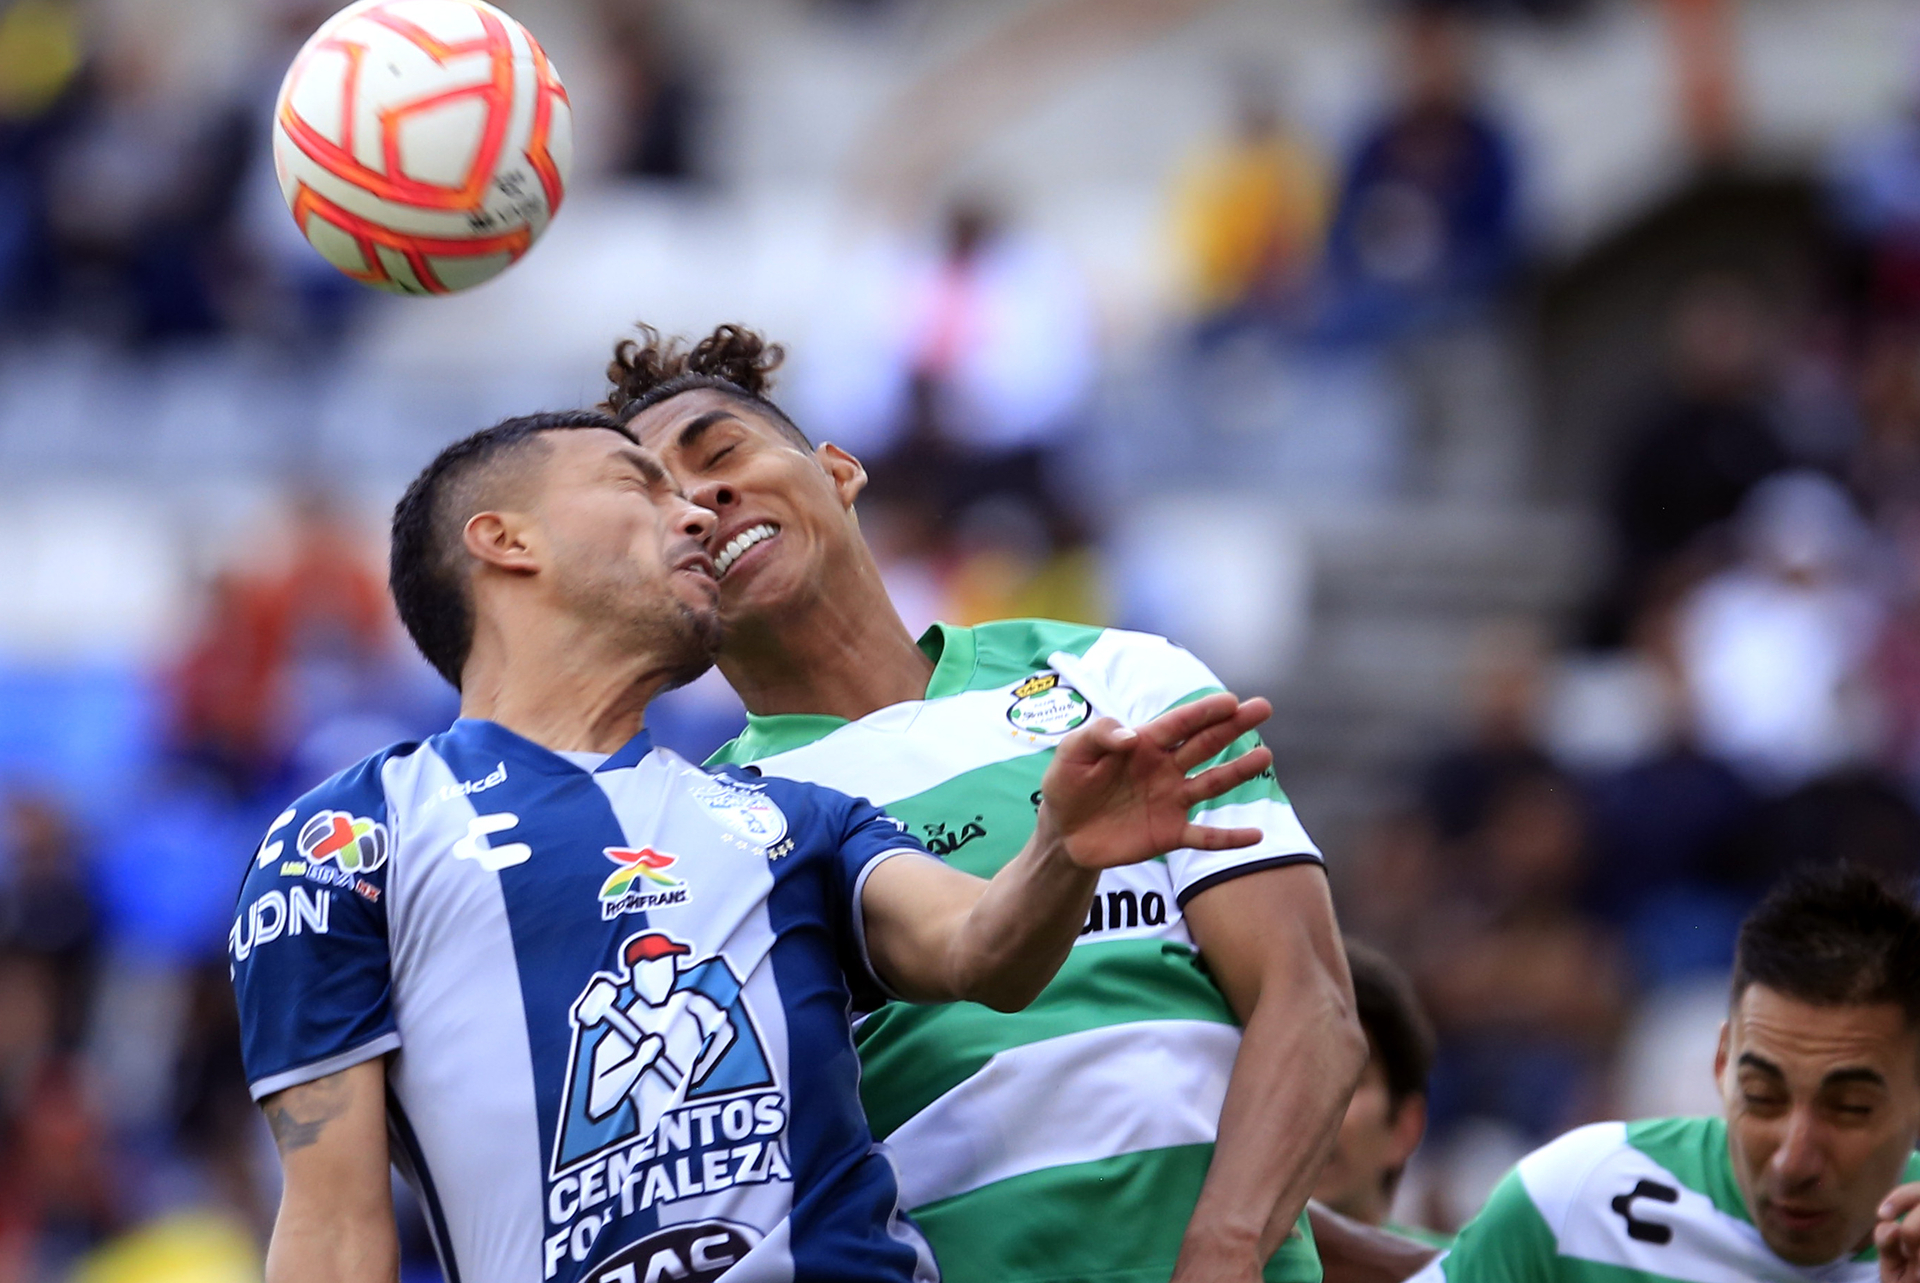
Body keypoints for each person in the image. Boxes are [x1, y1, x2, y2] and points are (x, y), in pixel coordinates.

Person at [227, 411, 1280, 1283]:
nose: (691, 511)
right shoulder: (348, 836)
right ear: (509, 540)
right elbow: (332, 1227)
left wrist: (1062, 848)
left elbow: (981, 949)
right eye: (638, 484)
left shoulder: (787, 812)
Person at [605, 325, 1371, 1283]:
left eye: (722, 455)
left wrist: (1223, 1250)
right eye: (663, 503)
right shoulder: (698, 830)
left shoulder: (1114, 675)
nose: (704, 499)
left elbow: (1309, 999)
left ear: (840, 471)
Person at [1413, 866, 1920, 1283]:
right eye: (1762, 1096)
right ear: (1722, 1063)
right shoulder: (1575, 1197)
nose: (1793, 1160)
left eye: (1850, 1108)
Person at [1313, 942, 1443, 1248]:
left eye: (1347, 1082)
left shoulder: (1464, 1272)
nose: (1310, 1109)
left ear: (1405, 1127)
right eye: (1288, 1077)